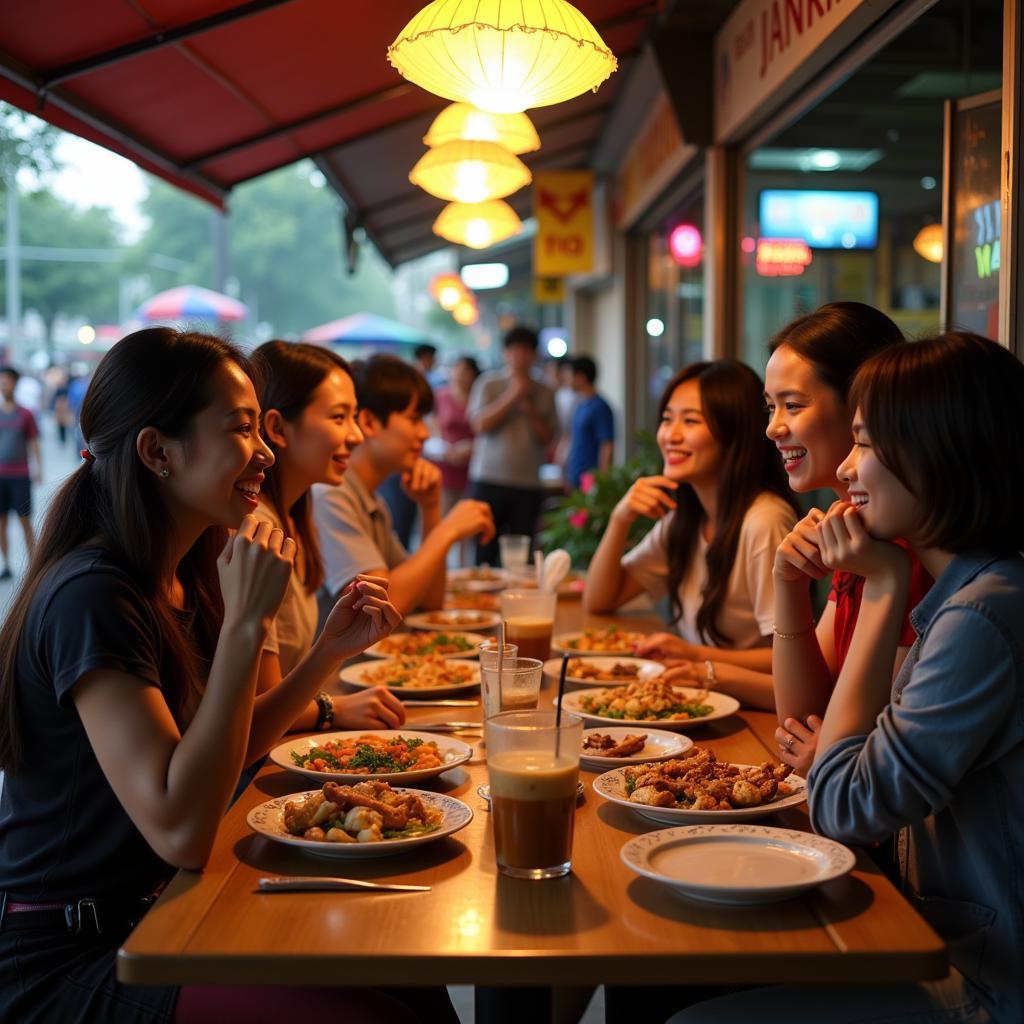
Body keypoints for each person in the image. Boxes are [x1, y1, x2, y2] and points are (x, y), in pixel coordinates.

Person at [0, 328, 460, 1023]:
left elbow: (220, 754)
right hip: (73, 953)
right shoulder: (93, 594)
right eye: (242, 430)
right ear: (157, 451)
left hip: (167, 906)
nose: (266, 452)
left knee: (411, 974)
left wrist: (325, 656)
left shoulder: (188, 573)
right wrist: (248, 625)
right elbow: (180, 827)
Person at [671, 331, 1024, 1024]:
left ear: (938, 450)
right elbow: (838, 773)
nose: (849, 468)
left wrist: (887, 589)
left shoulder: (983, 617)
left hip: (978, 981)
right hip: (932, 936)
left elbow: (840, 802)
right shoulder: (966, 596)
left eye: (865, 442)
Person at [764, 302, 931, 773]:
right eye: (770, 406)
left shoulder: (913, 553)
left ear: (864, 403)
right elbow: (800, 722)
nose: (773, 427)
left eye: (792, 405)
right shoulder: (853, 530)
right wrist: (789, 583)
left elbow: (861, 761)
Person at [584, 360, 799, 710]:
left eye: (690, 421)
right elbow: (600, 599)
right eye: (667, 419)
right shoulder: (686, 519)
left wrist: (694, 655)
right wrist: (619, 519)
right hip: (704, 701)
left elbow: (789, 657)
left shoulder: (764, 522)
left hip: (754, 715)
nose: (671, 435)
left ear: (734, 434)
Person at [251, 341, 406, 731]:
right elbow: (256, 710)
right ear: (276, 428)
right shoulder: (259, 530)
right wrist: (330, 709)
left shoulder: (296, 515)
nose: (356, 435)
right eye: (339, 418)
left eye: (355, 417)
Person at [313, 354, 495, 614]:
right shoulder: (330, 496)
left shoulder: (371, 500)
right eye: (414, 419)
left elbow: (429, 601)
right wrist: (448, 531)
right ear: (369, 422)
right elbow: (378, 609)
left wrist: (430, 508)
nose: (423, 433)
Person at [468, 326, 557, 564]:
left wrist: (530, 410)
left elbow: (549, 439)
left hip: (528, 483)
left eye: (527, 351)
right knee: (484, 549)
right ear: (505, 353)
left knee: (521, 554)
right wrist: (511, 396)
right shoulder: (489, 383)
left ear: (535, 354)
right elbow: (479, 425)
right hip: (488, 478)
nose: (520, 357)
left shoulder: (545, 391)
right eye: (515, 350)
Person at [0, 366, 42, 577]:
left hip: (20, 475)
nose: (3, 384)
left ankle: (34, 565)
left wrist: (38, 468)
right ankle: (6, 565)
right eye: (1, 381)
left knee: (25, 520)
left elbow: (34, 440)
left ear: (15, 383)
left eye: (6, 380)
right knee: (2, 522)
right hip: (1, 476)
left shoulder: (25, 413)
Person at [564, 355, 614, 489]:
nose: (566, 380)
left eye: (569, 375)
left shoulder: (599, 406)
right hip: (575, 477)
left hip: (591, 480)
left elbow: (606, 445)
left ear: (581, 377)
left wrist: (603, 481)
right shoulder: (579, 405)